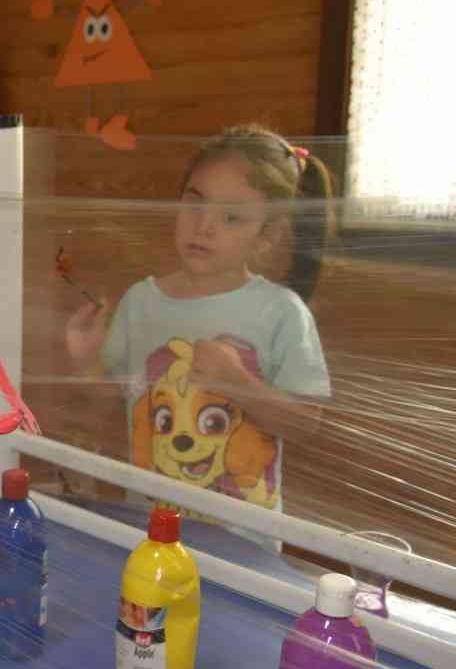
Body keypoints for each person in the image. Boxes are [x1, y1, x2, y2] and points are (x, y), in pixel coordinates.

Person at [65, 124, 332, 527]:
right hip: (149, 528)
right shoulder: (141, 302)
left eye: (231, 217)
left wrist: (235, 382)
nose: (203, 226)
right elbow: (116, 403)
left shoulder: (282, 313)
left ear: (266, 236)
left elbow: (305, 424)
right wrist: (87, 363)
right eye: (195, 204)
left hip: (241, 539)